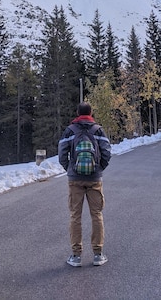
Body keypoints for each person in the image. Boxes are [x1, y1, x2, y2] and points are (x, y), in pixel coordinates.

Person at [58, 102, 111, 267]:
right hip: (95, 179)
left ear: (77, 112)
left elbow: (62, 153)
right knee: (97, 215)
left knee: (75, 216)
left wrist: (70, 168)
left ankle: (76, 256)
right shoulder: (98, 130)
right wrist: (99, 168)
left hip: (75, 179)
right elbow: (107, 152)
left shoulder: (70, 130)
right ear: (91, 112)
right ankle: (98, 254)